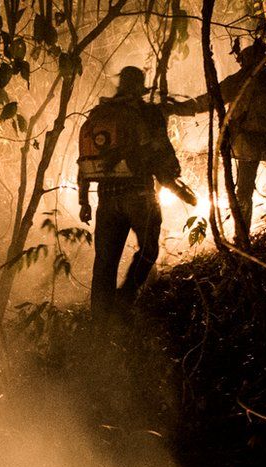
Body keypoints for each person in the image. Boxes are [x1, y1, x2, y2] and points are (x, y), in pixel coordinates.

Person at [167, 40, 266, 228]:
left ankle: (244, 234)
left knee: (244, 191)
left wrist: (177, 108)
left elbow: (209, 100)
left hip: (249, 144)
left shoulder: (240, 80)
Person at [77, 66, 182, 321]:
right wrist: (173, 176)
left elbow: (84, 158)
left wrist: (83, 200)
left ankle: (100, 324)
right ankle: (124, 300)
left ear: (119, 85)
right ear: (140, 87)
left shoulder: (100, 113)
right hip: (139, 196)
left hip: (106, 199)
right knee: (148, 251)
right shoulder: (146, 112)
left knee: (104, 263)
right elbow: (160, 150)